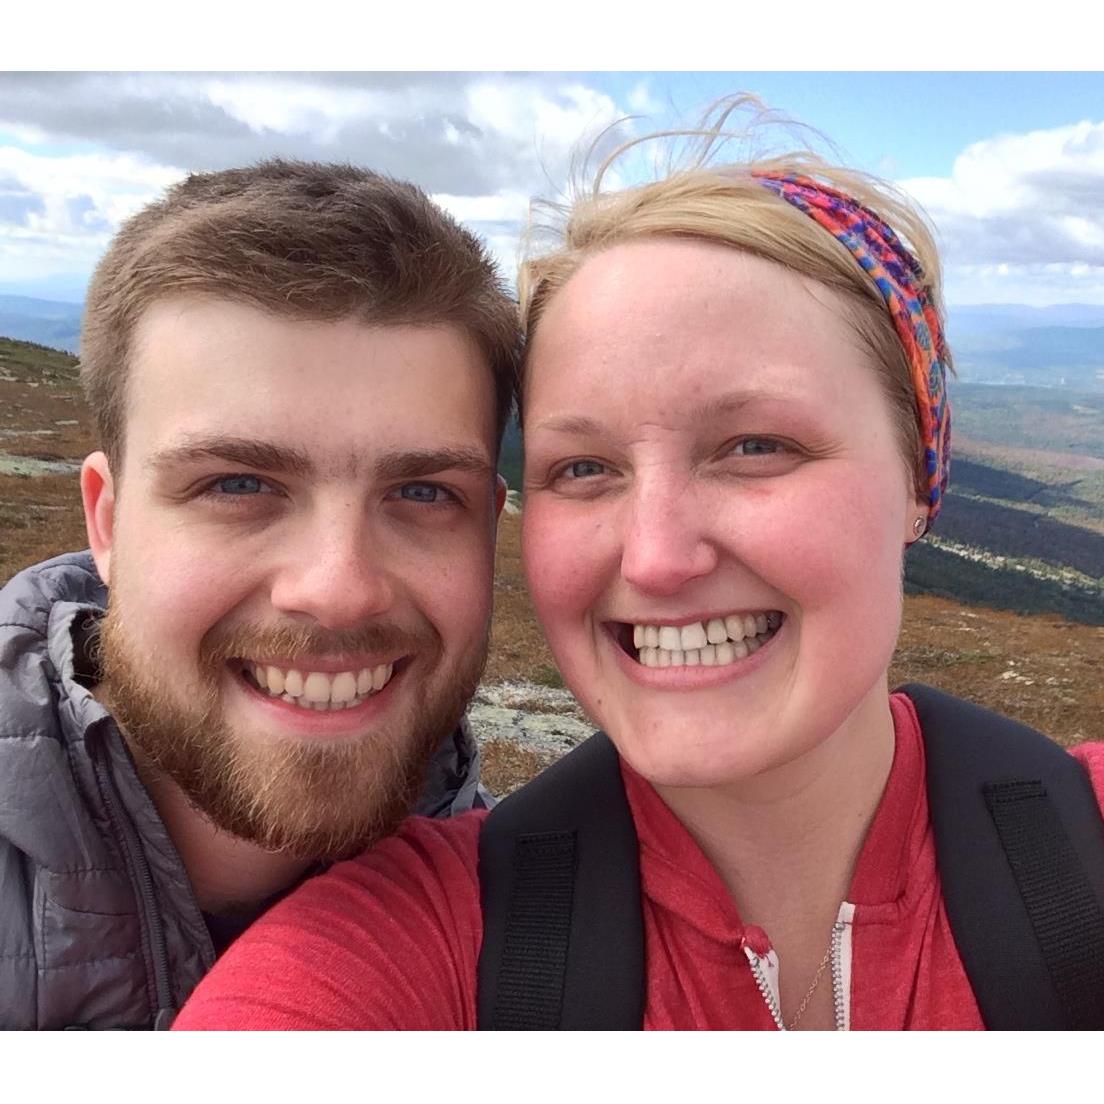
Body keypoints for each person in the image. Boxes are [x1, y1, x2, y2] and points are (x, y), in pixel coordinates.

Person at [173, 103, 1104, 1030]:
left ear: (918, 477)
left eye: (755, 446)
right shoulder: (403, 947)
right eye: (583, 469)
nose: (657, 559)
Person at [0, 160, 521, 1030]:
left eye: (424, 493)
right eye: (238, 485)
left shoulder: (542, 928)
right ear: (109, 524)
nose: (339, 590)